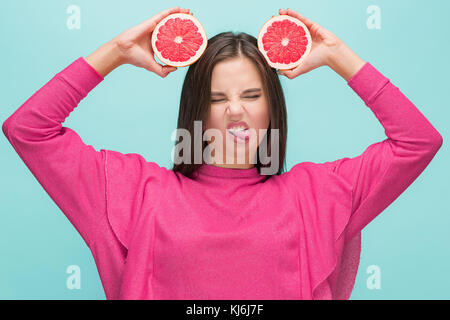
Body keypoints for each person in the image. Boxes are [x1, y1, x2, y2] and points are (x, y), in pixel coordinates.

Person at [2, 6, 443, 300]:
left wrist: (338, 56)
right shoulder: (137, 190)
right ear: (196, 109)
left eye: (251, 95)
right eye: (217, 99)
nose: (235, 111)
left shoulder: (317, 192)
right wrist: (115, 53)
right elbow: (28, 130)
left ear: (273, 105)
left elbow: (418, 142)